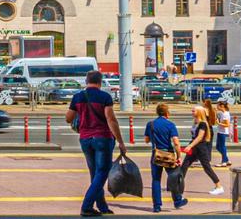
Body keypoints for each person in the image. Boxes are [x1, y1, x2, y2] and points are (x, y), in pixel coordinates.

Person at [67, 69, 128, 217]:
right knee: (102, 172)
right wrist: (120, 141)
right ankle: (86, 206)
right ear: (100, 82)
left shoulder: (78, 97)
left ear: (87, 81)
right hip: (102, 138)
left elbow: (68, 118)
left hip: (85, 139)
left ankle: (101, 206)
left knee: (95, 173)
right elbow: (111, 120)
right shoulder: (104, 97)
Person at [143, 103, 187, 213]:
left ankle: (157, 206)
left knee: (156, 180)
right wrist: (179, 156)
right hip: (168, 154)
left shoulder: (151, 124)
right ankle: (177, 200)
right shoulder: (170, 125)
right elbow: (176, 142)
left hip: (156, 154)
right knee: (174, 177)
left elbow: (146, 140)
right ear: (167, 113)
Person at [177, 106, 225, 197]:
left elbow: (199, 137)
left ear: (199, 112)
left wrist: (190, 146)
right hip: (194, 148)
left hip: (200, 148)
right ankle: (179, 188)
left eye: (193, 110)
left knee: (207, 168)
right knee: (184, 166)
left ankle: (219, 186)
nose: (192, 111)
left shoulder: (202, 124)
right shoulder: (195, 122)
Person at [214, 101, 233, 166]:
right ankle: (227, 160)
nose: (217, 106)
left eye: (218, 105)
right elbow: (217, 118)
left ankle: (224, 162)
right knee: (218, 147)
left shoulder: (225, 114)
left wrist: (218, 123)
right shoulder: (223, 113)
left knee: (222, 147)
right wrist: (215, 112)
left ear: (222, 106)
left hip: (223, 132)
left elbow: (227, 124)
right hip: (220, 131)